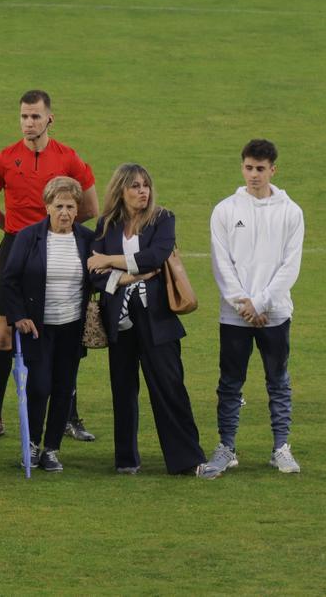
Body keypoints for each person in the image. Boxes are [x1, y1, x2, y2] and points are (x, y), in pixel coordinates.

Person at [0, 90, 98, 442]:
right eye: (24, 117)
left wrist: (59, 227)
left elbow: (90, 206)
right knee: (2, 335)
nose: (29, 123)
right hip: (16, 247)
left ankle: (70, 417)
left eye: (35, 117)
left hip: (59, 246)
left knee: (63, 334)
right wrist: (19, 234)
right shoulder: (5, 158)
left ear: (49, 119)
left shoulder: (69, 158)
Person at [88, 163, 213, 478]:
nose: (142, 191)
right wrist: (125, 279)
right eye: (135, 186)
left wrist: (110, 261)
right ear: (121, 190)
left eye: (145, 185)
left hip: (157, 318)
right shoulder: (105, 225)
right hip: (120, 321)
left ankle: (186, 460)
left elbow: (155, 257)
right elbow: (92, 272)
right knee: (123, 390)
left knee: (170, 387)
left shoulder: (163, 218)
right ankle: (126, 459)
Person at [203, 139, 305, 477]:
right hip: (234, 316)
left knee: (278, 381)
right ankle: (226, 447)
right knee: (230, 382)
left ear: (273, 170)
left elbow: (290, 267)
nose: (254, 175)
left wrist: (260, 303)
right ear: (242, 167)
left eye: (260, 169)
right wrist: (243, 304)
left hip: (274, 314)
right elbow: (221, 264)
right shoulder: (225, 210)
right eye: (249, 168)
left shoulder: (291, 212)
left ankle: (281, 448)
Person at [1, 176, 95, 472]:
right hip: (38, 328)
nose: (64, 212)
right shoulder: (29, 237)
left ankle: (51, 449)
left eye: (70, 206)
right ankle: (31, 443)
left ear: (77, 209)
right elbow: (9, 279)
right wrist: (18, 316)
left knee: (64, 388)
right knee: (39, 386)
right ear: (47, 207)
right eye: (59, 206)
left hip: (72, 327)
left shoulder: (87, 238)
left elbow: (98, 276)